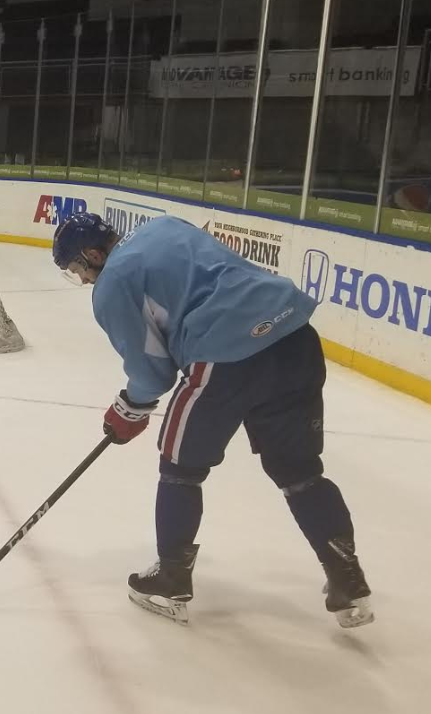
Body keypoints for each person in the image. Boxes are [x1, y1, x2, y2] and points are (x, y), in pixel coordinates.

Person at [52, 211, 371, 629]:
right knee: (300, 471)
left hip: (224, 355)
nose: (85, 278)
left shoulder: (112, 284)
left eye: (79, 268)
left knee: (180, 465)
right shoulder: (163, 225)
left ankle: (171, 579)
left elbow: (152, 372)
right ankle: (348, 579)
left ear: (93, 253)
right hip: (294, 335)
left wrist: (129, 407)